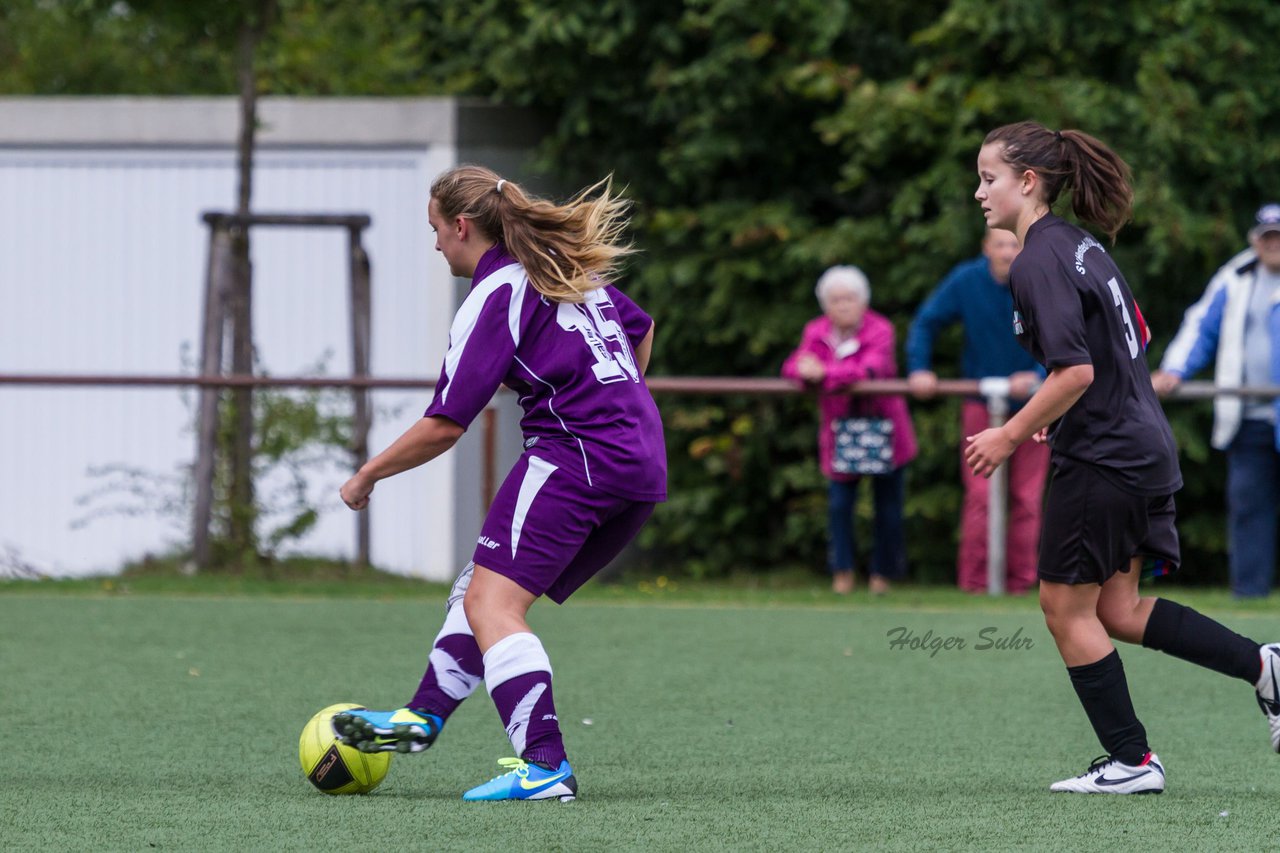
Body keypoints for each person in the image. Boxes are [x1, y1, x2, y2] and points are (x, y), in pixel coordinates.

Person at [965, 120, 1280, 794]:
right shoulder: (1081, 246)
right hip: (1142, 445)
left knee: (1063, 607)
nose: (978, 192)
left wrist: (1009, 432)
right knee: (1117, 608)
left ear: (1028, 181)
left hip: (1106, 456)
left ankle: (1133, 761)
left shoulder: (1036, 258)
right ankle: (1266, 667)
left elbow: (1074, 371)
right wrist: (1070, 409)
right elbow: (1132, 334)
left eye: (989, 177)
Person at [333, 165, 666, 802]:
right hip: (642, 462)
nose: (434, 245)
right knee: (479, 590)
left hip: (576, 458)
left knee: (494, 607)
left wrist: (367, 474)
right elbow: (642, 329)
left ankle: (546, 768)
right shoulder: (568, 276)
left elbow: (445, 424)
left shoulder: (497, 294)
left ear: (462, 226)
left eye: (434, 229)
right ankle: (421, 717)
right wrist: (620, 402)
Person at [906, 229, 1048, 595]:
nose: (1006, 252)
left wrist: (1035, 375)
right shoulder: (966, 280)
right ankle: (974, 584)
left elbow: (1069, 339)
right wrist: (920, 367)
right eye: (999, 244)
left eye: (1013, 244)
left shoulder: (1043, 281)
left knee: (1027, 498)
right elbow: (926, 321)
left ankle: (1020, 584)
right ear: (985, 248)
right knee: (980, 496)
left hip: (1035, 406)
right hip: (981, 404)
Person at [1150, 203, 1280, 598]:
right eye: (1267, 237)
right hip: (1249, 419)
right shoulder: (1235, 276)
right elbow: (1200, 326)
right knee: (1248, 509)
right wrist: (1173, 369)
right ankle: (1250, 592)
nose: (1273, 245)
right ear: (1255, 241)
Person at [782, 265, 918, 595]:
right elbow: (792, 367)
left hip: (886, 432)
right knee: (840, 507)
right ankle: (841, 572)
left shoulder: (881, 329)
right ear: (824, 304)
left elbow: (870, 370)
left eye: (849, 298)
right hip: (840, 433)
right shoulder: (815, 331)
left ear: (863, 301)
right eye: (835, 299)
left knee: (888, 507)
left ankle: (882, 575)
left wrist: (822, 373)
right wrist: (806, 371)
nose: (843, 305)